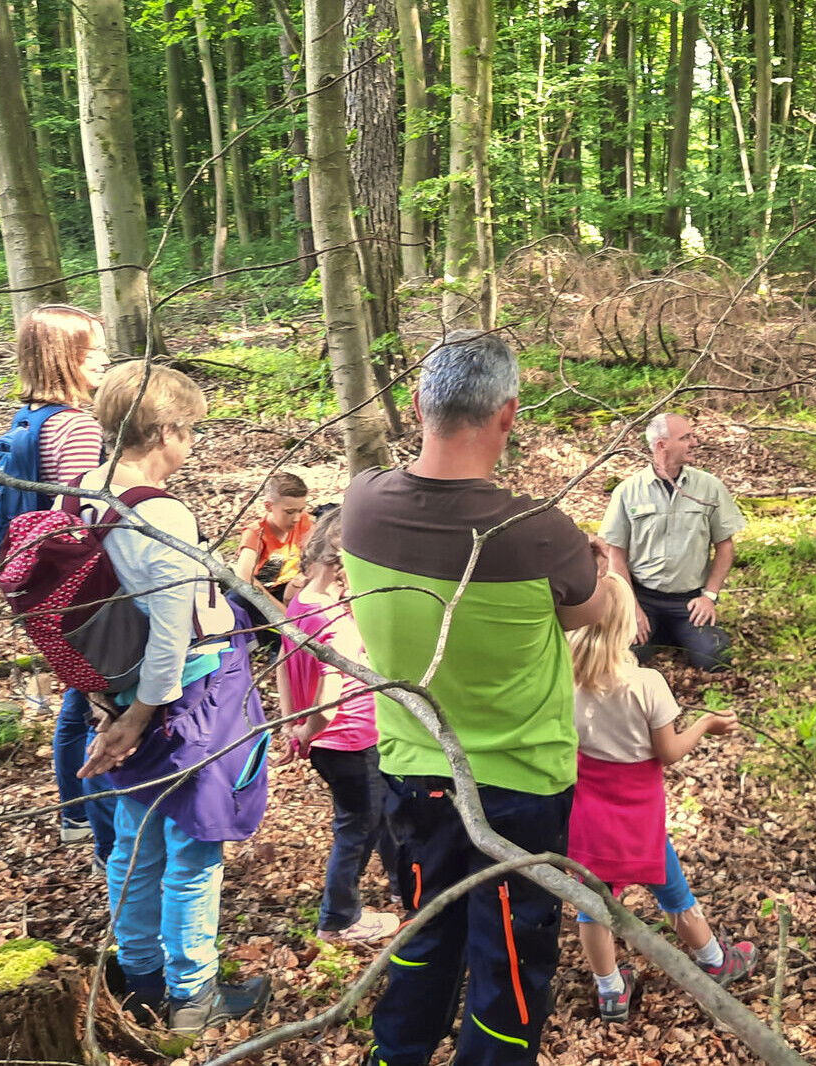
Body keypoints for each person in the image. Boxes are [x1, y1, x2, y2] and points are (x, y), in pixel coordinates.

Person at [343, 329, 609, 1066]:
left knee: (427, 931)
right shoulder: (536, 533)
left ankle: (395, 1055)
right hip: (520, 785)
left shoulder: (362, 503)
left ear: (421, 403)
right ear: (508, 416)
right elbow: (590, 611)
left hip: (411, 772)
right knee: (511, 966)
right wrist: (606, 570)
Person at [73, 362, 272, 1033]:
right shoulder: (159, 513)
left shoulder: (84, 492)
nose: (191, 445)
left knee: (135, 838)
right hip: (186, 701)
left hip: (123, 690)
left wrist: (108, 701)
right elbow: (166, 634)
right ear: (164, 431)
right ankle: (192, 994)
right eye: (188, 431)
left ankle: (140, 976)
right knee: (193, 843)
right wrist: (137, 717)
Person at [566, 571, 757, 1022]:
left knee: (593, 904)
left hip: (588, 813)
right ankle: (714, 959)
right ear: (627, 626)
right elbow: (667, 752)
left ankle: (610, 990)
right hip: (638, 815)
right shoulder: (646, 683)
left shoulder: (563, 679)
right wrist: (705, 724)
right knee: (672, 889)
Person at [6, 306, 116, 855]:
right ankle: (94, 822)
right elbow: (76, 516)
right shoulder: (74, 424)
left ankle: (76, 814)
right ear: (63, 357)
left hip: (37, 584)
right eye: (94, 350)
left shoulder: (27, 418)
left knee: (78, 701)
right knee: (89, 702)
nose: (105, 359)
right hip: (74, 588)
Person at [275, 506, 401, 945]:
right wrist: (308, 730)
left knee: (380, 812)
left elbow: (281, 663)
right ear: (344, 563)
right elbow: (329, 700)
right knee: (357, 827)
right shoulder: (334, 622)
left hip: (335, 741)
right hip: (350, 740)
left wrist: (292, 723)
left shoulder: (300, 603)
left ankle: (405, 887)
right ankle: (339, 918)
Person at [600, 413, 746, 670]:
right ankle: (660, 631)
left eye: (692, 436)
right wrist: (631, 608)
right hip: (643, 597)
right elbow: (616, 555)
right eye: (686, 437)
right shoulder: (628, 491)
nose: (695, 443)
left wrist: (709, 596)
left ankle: (675, 631)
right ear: (661, 445)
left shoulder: (709, 487)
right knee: (623, 657)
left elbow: (725, 546)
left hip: (689, 602)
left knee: (716, 658)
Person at [231, 472, 312, 648]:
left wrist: (302, 577)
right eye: (289, 512)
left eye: (300, 510)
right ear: (269, 506)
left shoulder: (302, 522)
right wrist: (281, 611)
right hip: (264, 590)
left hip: (291, 586)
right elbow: (244, 576)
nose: (296, 518)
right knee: (236, 600)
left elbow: (314, 554)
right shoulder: (256, 533)